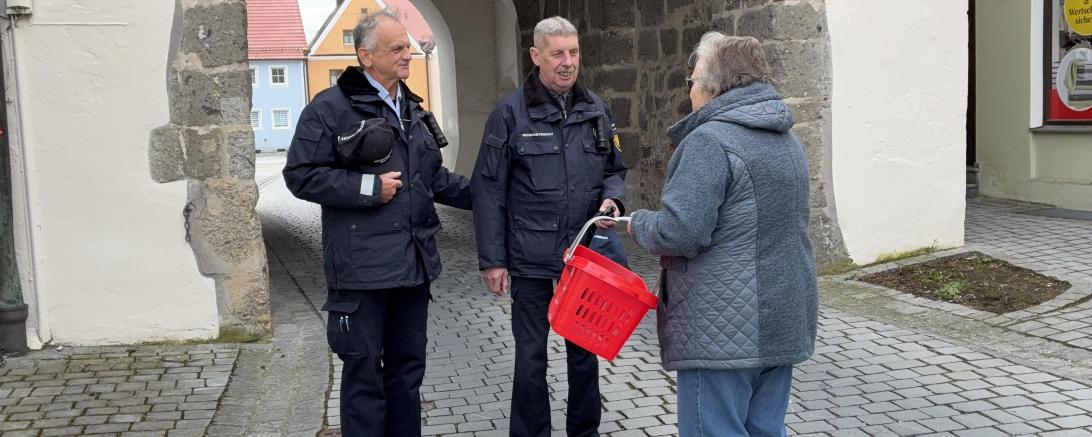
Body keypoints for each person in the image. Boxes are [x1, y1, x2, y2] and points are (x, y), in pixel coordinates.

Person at [282, 10, 471, 437]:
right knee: (365, 378)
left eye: (408, 47)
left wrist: (491, 196)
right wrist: (367, 188)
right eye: (397, 48)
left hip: (413, 268)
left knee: (407, 375)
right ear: (366, 56)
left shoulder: (411, 107)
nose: (408, 54)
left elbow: (433, 179)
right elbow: (299, 175)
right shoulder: (330, 108)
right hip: (360, 273)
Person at [625, 33, 818, 437]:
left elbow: (680, 233)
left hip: (723, 333)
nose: (690, 90)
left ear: (713, 88)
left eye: (692, 81)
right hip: (782, 318)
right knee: (766, 430)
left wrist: (638, 223)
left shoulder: (708, 142)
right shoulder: (788, 139)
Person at [471, 16, 627, 437]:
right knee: (530, 357)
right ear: (536, 55)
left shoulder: (596, 109)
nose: (567, 62)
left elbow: (614, 169)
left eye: (573, 52)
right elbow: (488, 190)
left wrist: (613, 198)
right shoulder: (509, 114)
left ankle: (584, 431)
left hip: (584, 255)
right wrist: (493, 260)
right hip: (530, 258)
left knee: (585, 354)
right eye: (557, 53)